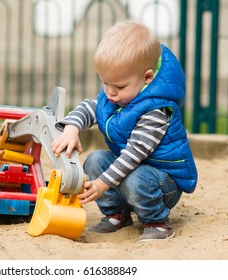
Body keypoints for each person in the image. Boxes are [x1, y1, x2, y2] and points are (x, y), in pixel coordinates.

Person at [51, 20, 198, 242]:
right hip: (133, 172)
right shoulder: (116, 95)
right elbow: (90, 107)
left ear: (147, 78)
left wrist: (101, 184)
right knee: (96, 160)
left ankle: (157, 222)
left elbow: (134, 154)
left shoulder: (159, 111)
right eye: (104, 82)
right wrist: (72, 128)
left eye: (119, 86)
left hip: (162, 183)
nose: (110, 92)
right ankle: (117, 214)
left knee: (135, 179)